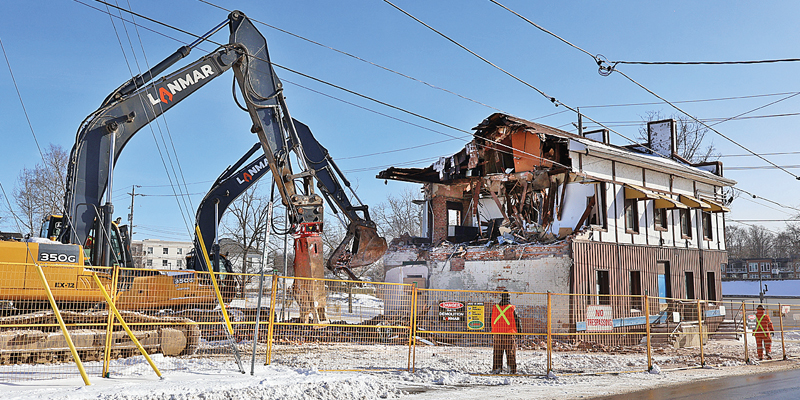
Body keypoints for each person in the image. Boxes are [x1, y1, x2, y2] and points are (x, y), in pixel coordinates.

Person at [491, 290, 521, 374]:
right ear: (508, 297)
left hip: (497, 333)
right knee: (510, 352)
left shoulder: (495, 307)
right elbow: (517, 320)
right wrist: (520, 332)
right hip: (509, 333)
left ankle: (496, 368)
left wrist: (492, 331)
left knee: (497, 351)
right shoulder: (512, 308)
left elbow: (491, 319)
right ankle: (511, 369)